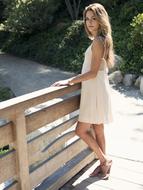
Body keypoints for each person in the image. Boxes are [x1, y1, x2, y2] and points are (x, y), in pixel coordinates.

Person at [51, 3, 114, 179]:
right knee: (98, 129)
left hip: (94, 89)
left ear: (101, 19)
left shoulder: (98, 41)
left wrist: (69, 81)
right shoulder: (103, 39)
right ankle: (103, 167)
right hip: (98, 88)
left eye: (94, 18)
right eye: (87, 19)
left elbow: (92, 72)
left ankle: (104, 159)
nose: (90, 22)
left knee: (80, 130)